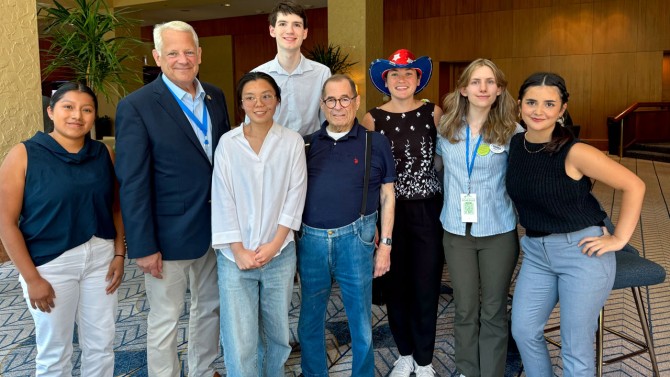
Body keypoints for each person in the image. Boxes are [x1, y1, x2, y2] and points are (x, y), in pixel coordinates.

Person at [507, 72, 646, 376]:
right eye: (531, 102)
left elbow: (634, 185)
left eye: (548, 103)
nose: (538, 110)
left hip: (582, 252)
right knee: (524, 331)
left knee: (574, 346)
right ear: (519, 106)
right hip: (535, 252)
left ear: (562, 109)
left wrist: (619, 239)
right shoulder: (516, 145)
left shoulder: (575, 151)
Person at [114, 20, 231, 377]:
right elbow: (131, 182)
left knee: (209, 308)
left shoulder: (215, 95)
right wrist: (143, 245)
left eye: (189, 51)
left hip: (216, 229)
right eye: (173, 52)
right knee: (166, 318)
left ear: (200, 54)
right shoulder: (136, 106)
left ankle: (202, 369)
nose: (183, 59)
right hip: (166, 237)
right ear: (157, 56)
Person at [0, 82, 125, 376]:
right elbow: (6, 222)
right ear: (51, 111)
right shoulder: (24, 154)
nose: (77, 116)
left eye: (87, 109)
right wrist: (31, 278)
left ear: (94, 116)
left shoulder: (103, 153)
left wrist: (119, 254)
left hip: (100, 259)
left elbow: (115, 207)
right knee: (55, 350)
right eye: (68, 107)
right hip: (50, 264)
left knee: (102, 344)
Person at [297, 74, 396, 377]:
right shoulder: (306, 144)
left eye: (344, 99)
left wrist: (386, 247)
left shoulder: (375, 142)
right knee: (310, 320)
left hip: (357, 240)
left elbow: (388, 196)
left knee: (360, 321)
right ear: (322, 104)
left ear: (355, 102)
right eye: (331, 100)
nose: (338, 106)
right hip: (311, 242)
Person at [211, 72, 307, 376]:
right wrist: (238, 250)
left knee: (277, 332)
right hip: (234, 257)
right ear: (241, 103)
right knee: (240, 336)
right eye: (250, 97)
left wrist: (276, 243)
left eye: (267, 95)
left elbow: (295, 194)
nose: (259, 103)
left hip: (279, 253)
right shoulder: (228, 143)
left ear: (277, 101)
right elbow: (222, 197)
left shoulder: (291, 142)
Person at [361, 49, 444, 377]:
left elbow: (446, 157)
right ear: (385, 81)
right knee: (395, 285)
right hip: (388, 211)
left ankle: (424, 359)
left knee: (426, 285)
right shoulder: (372, 118)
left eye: (409, 74)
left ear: (418, 79)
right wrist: (374, 221)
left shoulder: (432, 112)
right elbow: (367, 174)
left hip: (427, 211)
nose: (402, 79)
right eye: (395, 74)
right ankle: (404, 353)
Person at [437, 58, 522, 377]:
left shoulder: (513, 131)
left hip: (498, 231)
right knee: (465, 308)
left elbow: (526, 179)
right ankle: (467, 371)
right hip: (456, 232)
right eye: (476, 81)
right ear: (463, 89)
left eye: (490, 82)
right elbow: (433, 171)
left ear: (499, 90)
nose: (483, 88)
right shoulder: (445, 129)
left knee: (494, 310)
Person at [252, 0, 331, 136]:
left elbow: (328, 122)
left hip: (312, 152)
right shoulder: (257, 75)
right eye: (283, 24)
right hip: (272, 152)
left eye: (297, 25)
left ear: (305, 33)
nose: (290, 31)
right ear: (272, 30)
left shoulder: (322, 73)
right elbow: (252, 125)